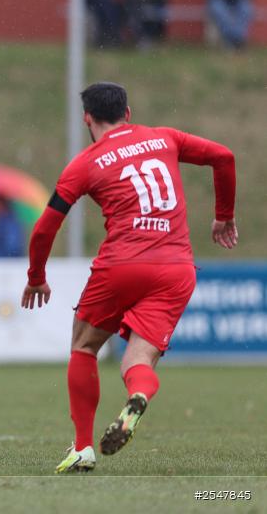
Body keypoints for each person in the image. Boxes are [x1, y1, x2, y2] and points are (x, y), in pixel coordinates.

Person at [21, 82, 237, 474]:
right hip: (176, 269)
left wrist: (36, 275)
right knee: (140, 360)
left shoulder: (85, 163)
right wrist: (224, 215)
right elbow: (223, 157)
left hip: (122, 265)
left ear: (87, 118)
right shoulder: (164, 139)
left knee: (84, 346)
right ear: (129, 112)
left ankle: (83, 448)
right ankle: (137, 396)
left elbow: (44, 229)